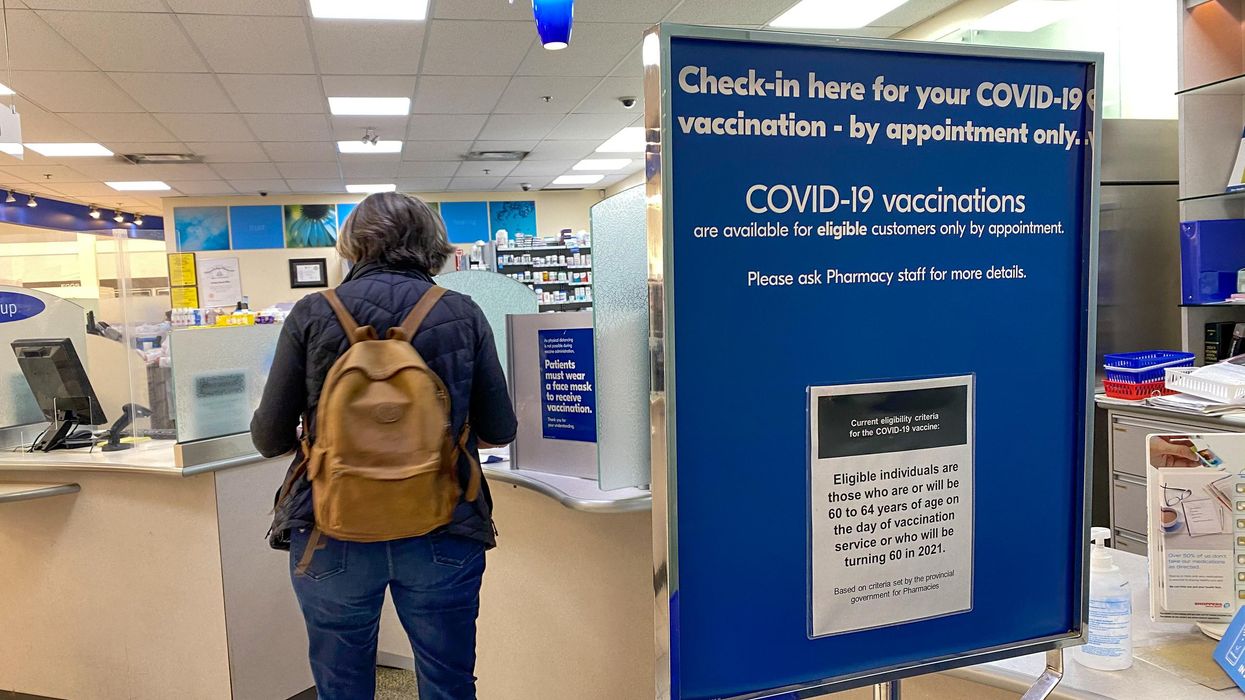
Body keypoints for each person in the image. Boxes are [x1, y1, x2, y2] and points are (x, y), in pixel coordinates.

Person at [251, 192, 517, 700]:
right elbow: (499, 428)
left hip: (331, 528)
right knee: (448, 678)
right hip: (445, 524)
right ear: (433, 245)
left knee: (342, 683)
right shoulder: (461, 312)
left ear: (353, 245)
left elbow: (269, 439)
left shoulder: (312, 312)